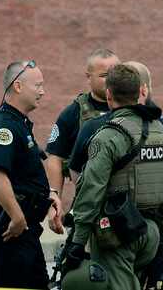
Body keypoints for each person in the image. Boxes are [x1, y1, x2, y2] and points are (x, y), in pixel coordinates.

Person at [62, 64, 163, 290]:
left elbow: (90, 191)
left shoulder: (108, 136)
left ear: (108, 95)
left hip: (117, 234)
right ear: (141, 91)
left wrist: (78, 241)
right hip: (152, 233)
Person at [0, 60, 62, 289]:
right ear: (17, 86)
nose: (43, 92)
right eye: (38, 85)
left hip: (25, 230)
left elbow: (24, 178)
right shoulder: (3, 127)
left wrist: (49, 196)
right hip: (11, 231)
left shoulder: (19, 123)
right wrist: (17, 217)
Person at [68, 61, 163, 185]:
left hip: (110, 205)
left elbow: (76, 174)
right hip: (158, 204)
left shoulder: (92, 127)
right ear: (144, 90)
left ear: (109, 93)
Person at [46, 48, 119, 224]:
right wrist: (54, 204)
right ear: (89, 77)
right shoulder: (73, 114)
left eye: (115, 73)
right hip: (89, 204)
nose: (110, 80)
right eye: (104, 75)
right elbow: (55, 159)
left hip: (125, 202)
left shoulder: (130, 108)